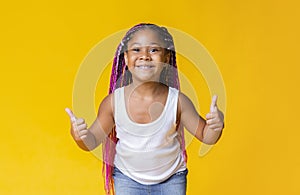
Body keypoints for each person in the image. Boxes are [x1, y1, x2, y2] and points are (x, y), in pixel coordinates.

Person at [65, 23, 224, 195]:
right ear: (125, 58)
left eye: (154, 50)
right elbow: (92, 141)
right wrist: (79, 136)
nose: (145, 56)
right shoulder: (113, 102)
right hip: (127, 179)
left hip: (171, 179)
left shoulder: (177, 101)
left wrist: (215, 127)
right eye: (136, 50)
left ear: (166, 57)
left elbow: (206, 136)